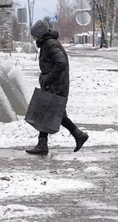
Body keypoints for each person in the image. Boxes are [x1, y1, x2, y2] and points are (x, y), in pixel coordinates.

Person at [27, 20, 89, 155]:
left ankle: (77, 135)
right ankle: (43, 144)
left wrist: (48, 78)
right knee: (49, 112)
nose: (33, 38)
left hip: (56, 85)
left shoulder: (50, 44)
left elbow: (60, 63)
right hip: (54, 84)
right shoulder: (47, 43)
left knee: (56, 113)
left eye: (34, 35)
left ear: (39, 34)